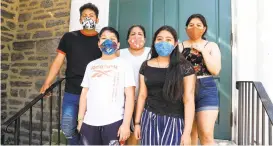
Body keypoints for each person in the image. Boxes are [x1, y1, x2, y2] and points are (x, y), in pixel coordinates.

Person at [39, 3, 102, 145]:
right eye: (84, 16)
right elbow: (58, 61)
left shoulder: (102, 40)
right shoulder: (69, 37)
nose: (88, 18)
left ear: (97, 20)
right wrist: (47, 82)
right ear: (80, 20)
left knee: (89, 129)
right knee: (67, 128)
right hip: (72, 90)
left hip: (95, 92)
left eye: (91, 16)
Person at [134, 25, 196, 145]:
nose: (163, 43)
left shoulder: (185, 67)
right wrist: (137, 123)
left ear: (175, 43)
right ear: (154, 42)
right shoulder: (146, 65)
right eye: (159, 39)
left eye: (168, 40)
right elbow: (142, 95)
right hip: (149, 118)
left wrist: (187, 133)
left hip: (174, 120)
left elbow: (188, 100)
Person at [77, 27, 135, 145]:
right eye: (104, 38)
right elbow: (84, 94)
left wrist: (126, 124)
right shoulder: (91, 65)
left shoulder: (124, 64)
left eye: (112, 39)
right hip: (89, 123)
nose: (107, 41)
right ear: (99, 44)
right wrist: (80, 120)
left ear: (118, 44)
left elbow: (130, 96)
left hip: (114, 122)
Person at [180, 14, 221, 145]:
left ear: (204, 28)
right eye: (191, 25)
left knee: (206, 133)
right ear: (186, 28)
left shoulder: (211, 45)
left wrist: (202, 51)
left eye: (198, 25)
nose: (194, 28)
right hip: (184, 89)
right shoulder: (179, 46)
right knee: (189, 134)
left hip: (206, 88)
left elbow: (215, 70)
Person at [118, 25, 151, 145]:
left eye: (140, 34)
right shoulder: (120, 53)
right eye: (133, 34)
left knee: (135, 133)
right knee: (121, 132)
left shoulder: (151, 52)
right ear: (127, 39)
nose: (136, 36)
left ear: (145, 38)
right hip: (124, 99)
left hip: (145, 99)